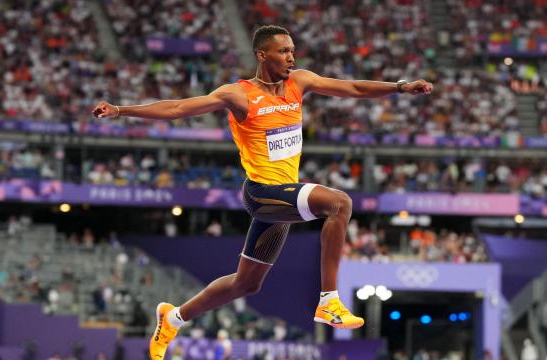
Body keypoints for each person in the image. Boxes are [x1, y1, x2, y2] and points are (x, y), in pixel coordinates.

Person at [93, 25, 433, 359]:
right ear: (262, 54)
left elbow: (354, 88)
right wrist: (122, 110)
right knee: (339, 203)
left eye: (292, 51)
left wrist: (400, 87)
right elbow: (178, 109)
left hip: (282, 198)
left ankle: (173, 317)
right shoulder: (238, 94)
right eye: (283, 51)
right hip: (262, 193)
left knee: (246, 284)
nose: (291, 57)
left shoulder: (298, 82)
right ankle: (328, 300)